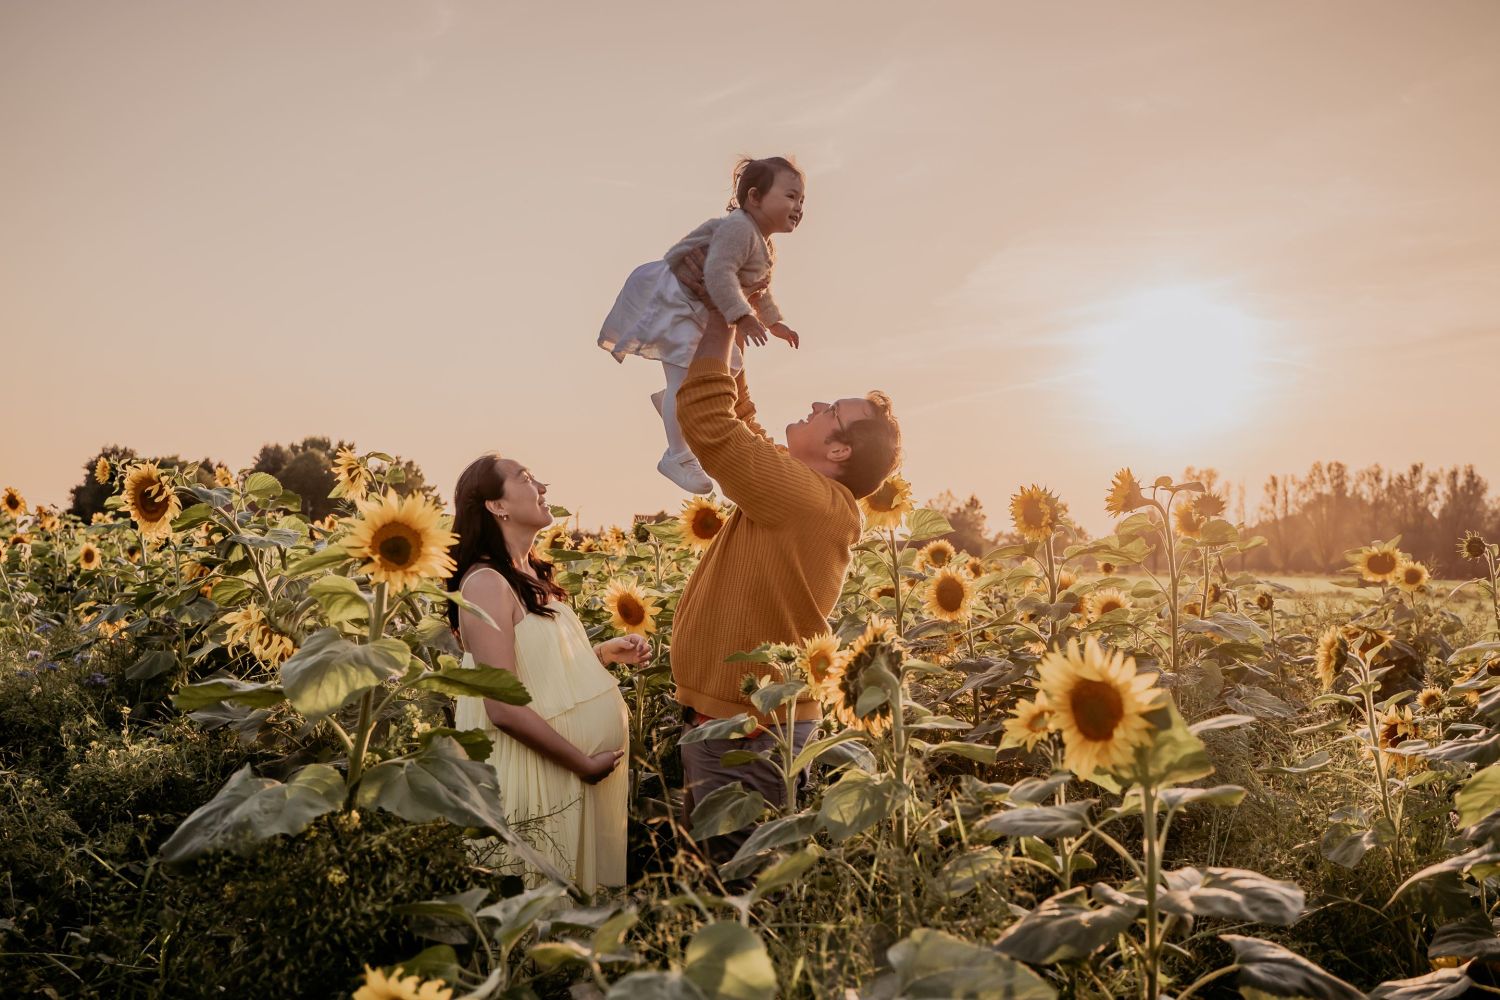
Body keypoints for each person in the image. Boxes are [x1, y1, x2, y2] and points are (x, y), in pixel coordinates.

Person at [666, 251, 903, 864]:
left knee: (739, 879)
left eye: (832, 413)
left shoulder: (808, 502)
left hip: (752, 721)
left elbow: (712, 425)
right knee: (719, 869)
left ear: (840, 449)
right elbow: (743, 425)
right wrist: (737, 335)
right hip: (742, 713)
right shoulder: (811, 496)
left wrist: (721, 321)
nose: (820, 404)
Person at [447, 452, 650, 891]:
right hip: (541, 776)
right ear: (496, 506)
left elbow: (540, 676)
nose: (542, 487)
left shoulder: (528, 576)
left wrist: (602, 655)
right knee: (543, 921)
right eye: (526, 478)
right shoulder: (485, 583)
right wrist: (582, 763)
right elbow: (502, 705)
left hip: (568, 775)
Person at [598, 156, 806, 494]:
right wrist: (743, 318)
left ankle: (673, 402)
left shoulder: (763, 242)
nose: (798, 206)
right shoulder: (738, 230)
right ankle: (676, 455)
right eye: (790, 196)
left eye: (801, 200)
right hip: (677, 302)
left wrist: (775, 322)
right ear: (754, 198)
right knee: (689, 378)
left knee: (721, 375)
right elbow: (719, 275)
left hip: (698, 309)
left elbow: (759, 289)